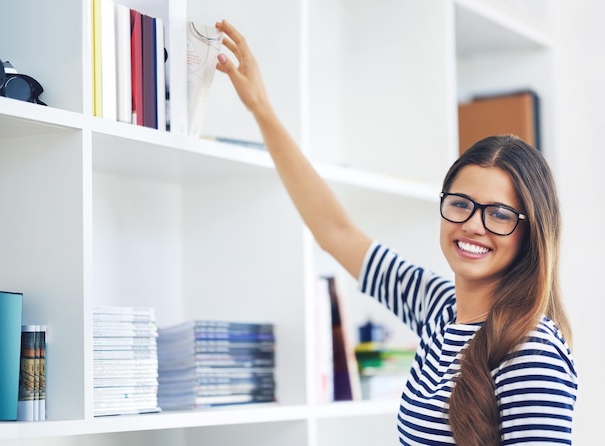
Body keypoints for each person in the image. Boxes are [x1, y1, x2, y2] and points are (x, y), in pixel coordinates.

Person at [214, 20, 577, 446]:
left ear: (530, 232)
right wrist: (261, 108)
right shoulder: (439, 309)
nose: (473, 225)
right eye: (461, 204)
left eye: (498, 214)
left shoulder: (531, 350)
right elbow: (336, 232)